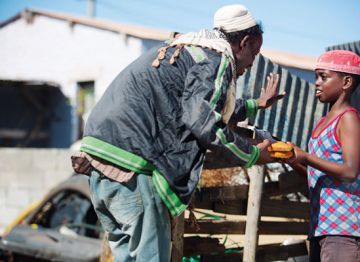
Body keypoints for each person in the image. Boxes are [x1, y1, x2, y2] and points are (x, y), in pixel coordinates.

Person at [71, 4, 284, 261]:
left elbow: (201, 103)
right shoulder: (218, 59)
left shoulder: (185, 49)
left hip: (99, 162)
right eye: (255, 53)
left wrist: (255, 105)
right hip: (132, 170)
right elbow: (202, 120)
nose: (252, 63)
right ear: (244, 42)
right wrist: (250, 154)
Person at [284, 50, 360, 262]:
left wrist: (306, 157)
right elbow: (316, 175)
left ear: (346, 82)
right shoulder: (323, 122)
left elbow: (350, 171)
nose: (317, 83)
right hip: (323, 226)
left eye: (323, 77)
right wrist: (292, 159)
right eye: (316, 76)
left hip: (346, 228)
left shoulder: (349, 119)